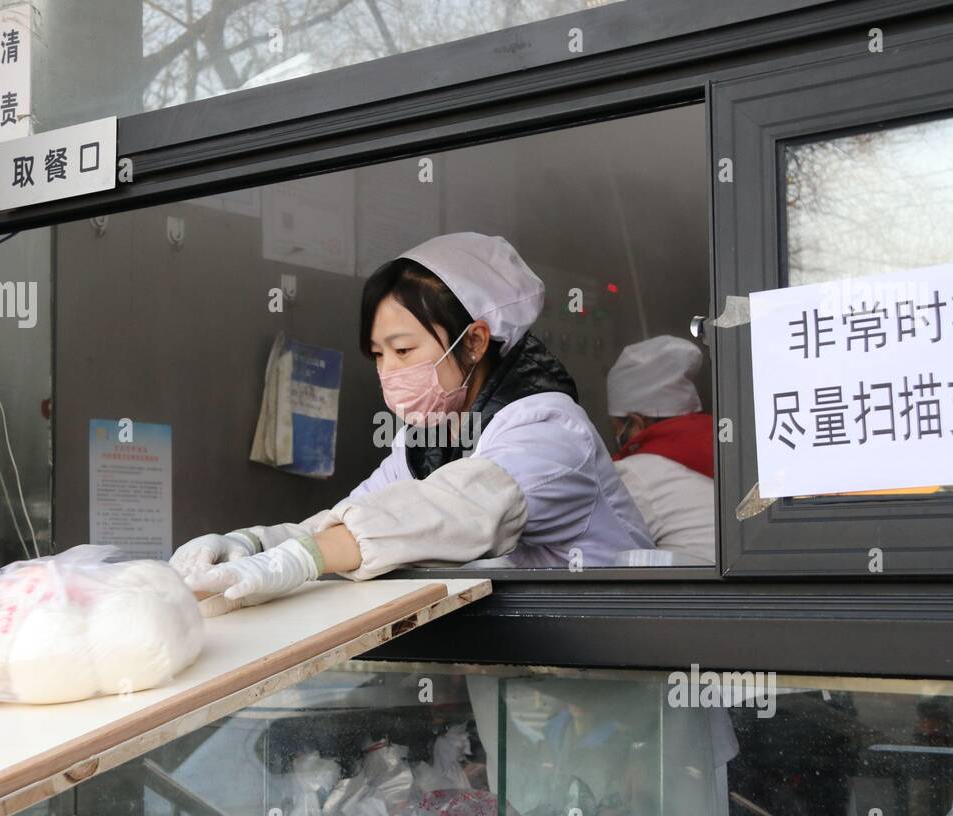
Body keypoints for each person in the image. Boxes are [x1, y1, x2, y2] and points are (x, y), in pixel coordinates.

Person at [171, 232, 654, 604]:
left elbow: (463, 510)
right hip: (531, 689)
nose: (389, 371)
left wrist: (302, 560)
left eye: (404, 350)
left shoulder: (549, 429)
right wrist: (255, 544)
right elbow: (355, 515)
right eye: (378, 354)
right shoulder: (429, 437)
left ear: (474, 341)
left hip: (622, 673)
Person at [606, 335, 715, 565]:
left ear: (635, 423)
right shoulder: (726, 446)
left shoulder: (634, 473)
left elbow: (600, 550)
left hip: (695, 595)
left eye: (615, 426)